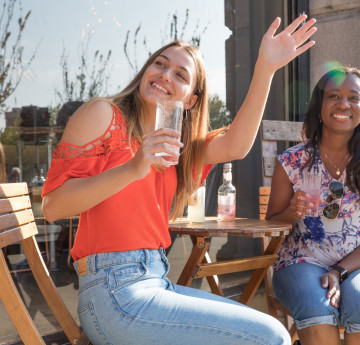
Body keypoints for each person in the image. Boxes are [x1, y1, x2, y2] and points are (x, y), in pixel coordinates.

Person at [42, 15, 316, 345]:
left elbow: (236, 145)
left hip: (156, 280)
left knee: (271, 331)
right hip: (114, 292)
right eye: (159, 64)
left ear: (191, 100)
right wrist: (133, 167)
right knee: (270, 337)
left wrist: (265, 68)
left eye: (180, 74)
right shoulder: (103, 114)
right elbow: (53, 206)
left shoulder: (175, 147)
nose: (164, 74)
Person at [266, 66, 360, 345]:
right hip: (301, 260)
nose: (344, 104)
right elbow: (271, 225)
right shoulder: (293, 161)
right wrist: (291, 213)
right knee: (316, 305)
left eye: (354, 97)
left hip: (354, 266)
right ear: (319, 106)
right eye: (333, 96)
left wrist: (339, 270)